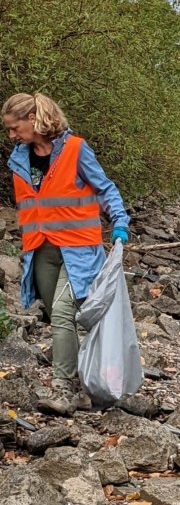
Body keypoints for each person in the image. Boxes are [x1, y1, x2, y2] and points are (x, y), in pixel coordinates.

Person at [2, 92, 130, 409]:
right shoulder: (19, 158)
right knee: (54, 313)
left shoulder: (75, 149)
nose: (11, 136)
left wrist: (119, 223)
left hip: (80, 248)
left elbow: (106, 188)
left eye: (14, 128)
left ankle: (64, 385)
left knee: (62, 312)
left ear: (33, 120)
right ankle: (86, 369)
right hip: (40, 249)